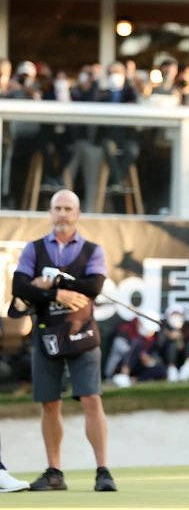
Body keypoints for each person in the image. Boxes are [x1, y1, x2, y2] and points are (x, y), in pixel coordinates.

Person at [10, 190, 117, 491]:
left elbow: (93, 286)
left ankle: (102, 470)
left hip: (82, 334)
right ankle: (54, 471)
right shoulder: (34, 248)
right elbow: (20, 286)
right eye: (57, 208)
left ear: (77, 213)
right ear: (50, 212)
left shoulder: (92, 250)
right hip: (47, 334)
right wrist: (57, 293)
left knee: (91, 399)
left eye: (68, 208)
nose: (63, 214)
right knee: (49, 404)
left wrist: (51, 281)